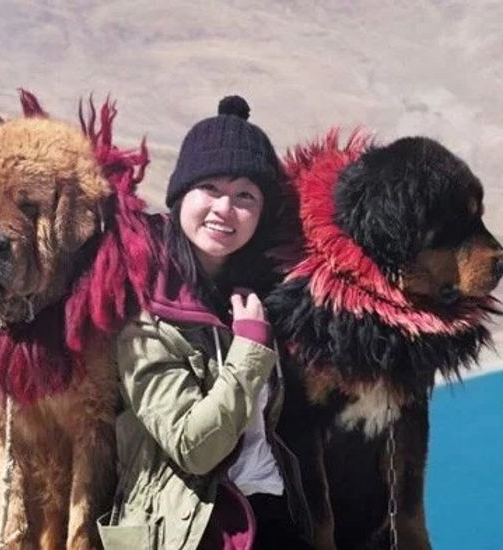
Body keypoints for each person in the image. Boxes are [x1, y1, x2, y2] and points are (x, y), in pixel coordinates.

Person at [98, 96, 313, 549]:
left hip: (270, 522)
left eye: (244, 196)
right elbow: (196, 449)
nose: (224, 209)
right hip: (189, 536)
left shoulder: (253, 296)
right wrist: (250, 350)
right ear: (181, 196)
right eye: (210, 188)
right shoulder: (146, 310)